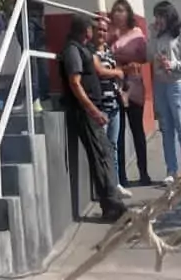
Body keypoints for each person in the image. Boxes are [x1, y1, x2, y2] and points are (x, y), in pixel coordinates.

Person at [59, 17, 125, 223]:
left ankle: (112, 202)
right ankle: (111, 206)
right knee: (99, 155)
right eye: (90, 28)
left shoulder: (82, 48)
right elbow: (75, 83)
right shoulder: (72, 50)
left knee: (104, 153)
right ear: (84, 30)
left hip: (92, 109)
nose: (93, 31)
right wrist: (93, 111)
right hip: (84, 112)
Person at [149, 0, 181, 183]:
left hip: (177, 84)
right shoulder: (157, 36)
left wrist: (173, 64)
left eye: (160, 16)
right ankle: (171, 170)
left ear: (169, 16)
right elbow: (148, 54)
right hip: (160, 84)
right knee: (166, 128)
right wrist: (152, 35)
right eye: (156, 16)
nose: (157, 20)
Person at [110, 0, 151, 187]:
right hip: (116, 85)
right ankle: (121, 176)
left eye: (122, 10)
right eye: (115, 10)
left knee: (137, 131)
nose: (118, 14)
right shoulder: (111, 34)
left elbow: (144, 57)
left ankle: (144, 173)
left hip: (133, 85)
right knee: (118, 132)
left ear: (128, 13)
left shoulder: (137, 34)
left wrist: (121, 56)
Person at [91, 13, 131, 197]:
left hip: (114, 105)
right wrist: (117, 72)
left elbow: (117, 77)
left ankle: (114, 184)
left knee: (113, 146)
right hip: (100, 108)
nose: (102, 33)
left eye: (104, 30)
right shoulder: (91, 51)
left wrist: (121, 90)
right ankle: (105, 188)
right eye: (99, 29)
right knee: (102, 149)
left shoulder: (108, 52)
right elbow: (100, 72)